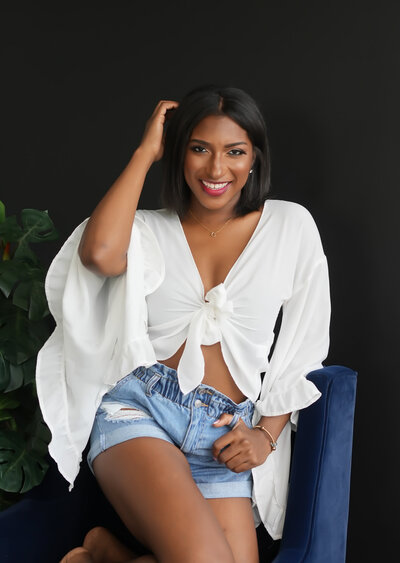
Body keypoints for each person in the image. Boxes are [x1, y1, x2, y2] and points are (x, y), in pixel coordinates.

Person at [36, 85, 330, 563]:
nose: (216, 169)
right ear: (179, 155)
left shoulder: (290, 226)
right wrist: (145, 152)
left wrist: (265, 435)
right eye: (199, 149)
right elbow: (99, 255)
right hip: (141, 411)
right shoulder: (148, 230)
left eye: (234, 152)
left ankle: (108, 555)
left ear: (255, 158)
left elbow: (304, 346)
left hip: (223, 431)